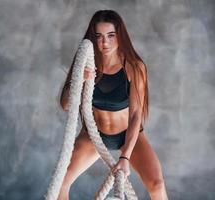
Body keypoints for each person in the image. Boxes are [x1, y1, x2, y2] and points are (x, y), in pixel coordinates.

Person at [58, 10, 169, 200]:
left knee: (157, 185)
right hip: (94, 135)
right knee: (61, 181)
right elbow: (66, 105)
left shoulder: (134, 67)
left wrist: (125, 157)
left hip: (128, 134)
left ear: (120, 36)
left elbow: (135, 115)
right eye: (99, 37)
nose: (105, 43)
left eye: (111, 36)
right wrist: (80, 80)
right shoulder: (85, 62)